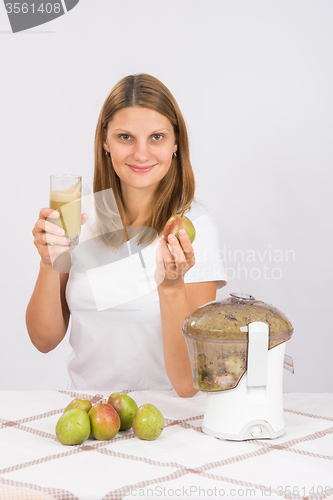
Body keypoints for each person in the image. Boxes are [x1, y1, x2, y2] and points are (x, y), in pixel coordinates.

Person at [26, 74, 227, 397]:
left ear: (176, 142)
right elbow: (44, 340)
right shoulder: (79, 217)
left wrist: (171, 286)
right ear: (105, 141)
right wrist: (49, 263)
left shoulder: (195, 229)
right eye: (125, 137)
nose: (142, 153)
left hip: (166, 423)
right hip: (86, 416)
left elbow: (190, 382)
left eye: (157, 137)